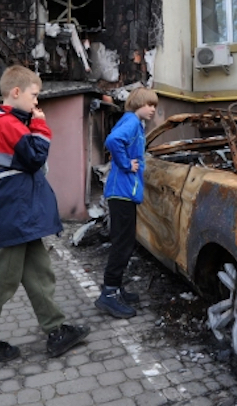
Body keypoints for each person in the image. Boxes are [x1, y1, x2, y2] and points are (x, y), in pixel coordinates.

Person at [0, 65, 89, 366]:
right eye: (34, 95)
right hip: (14, 215)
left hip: (20, 214)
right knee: (1, 280)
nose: (37, 102)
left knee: (39, 273)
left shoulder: (9, 122)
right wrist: (41, 127)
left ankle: (56, 329)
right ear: (16, 92)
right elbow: (35, 158)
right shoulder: (8, 124)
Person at [95, 87, 158, 319]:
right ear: (138, 104)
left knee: (125, 242)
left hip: (123, 192)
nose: (153, 109)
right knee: (123, 243)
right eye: (149, 105)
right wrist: (125, 164)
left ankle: (115, 287)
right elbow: (113, 141)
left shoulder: (134, 123)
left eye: (155, 106)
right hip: (121, 192)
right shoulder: (131, 121)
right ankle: (109, 294)